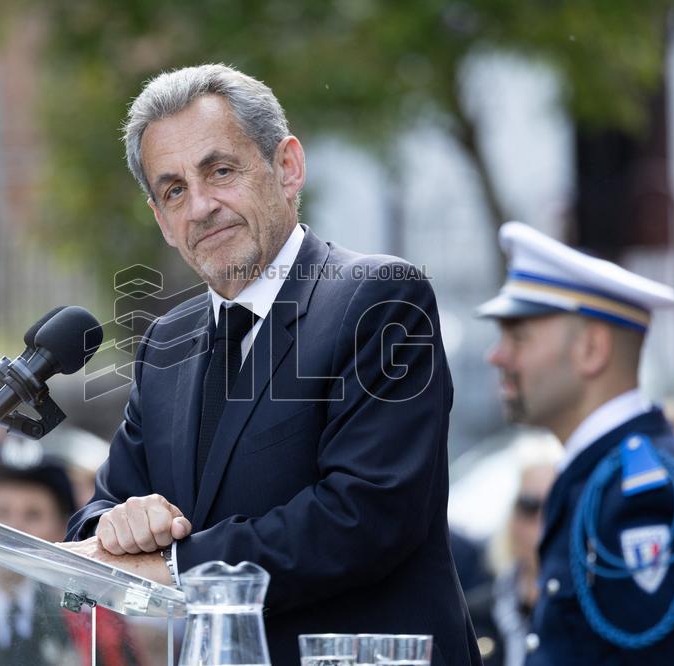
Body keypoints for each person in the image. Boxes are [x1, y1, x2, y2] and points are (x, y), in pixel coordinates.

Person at [60, 64, 481, 666]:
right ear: (161, 219)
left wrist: (177, 564)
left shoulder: (379, 298)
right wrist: (117, 524)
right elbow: (101, 515)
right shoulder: (164, 346)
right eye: (174, 189)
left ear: (287, 167)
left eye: (220, 171)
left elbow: (363, 515)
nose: (201, 206)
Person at [478, 222, 674, 664]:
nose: (497, 355)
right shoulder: (607, 477)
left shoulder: (642, 498)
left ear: (591, 350)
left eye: (518, 336)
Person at [0, 442, 139, 666]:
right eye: (1, 512)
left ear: (60, 529)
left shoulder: (91, 622)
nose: (15, 526)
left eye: (33, 515)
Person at [466, 441, 560, 666]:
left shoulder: (590, 611)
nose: (541, 522)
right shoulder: (470, 615)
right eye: (529, 506)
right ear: (511, 517)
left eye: (555, 507)